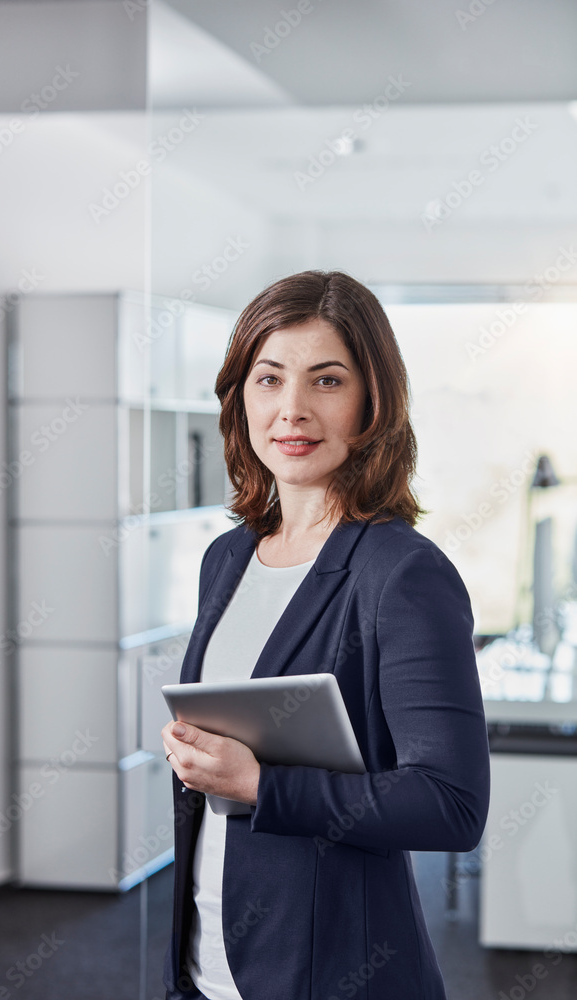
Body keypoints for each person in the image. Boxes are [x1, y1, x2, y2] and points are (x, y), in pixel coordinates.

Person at [161, 269, 490, 1000]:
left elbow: (451, 803)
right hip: (207, 961)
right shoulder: (229, 556)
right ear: (238, 397)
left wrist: (258, 783)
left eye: (327, 381)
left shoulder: (401, 574)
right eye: (268, 379)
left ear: (373, 400)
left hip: (333, 970)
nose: (292, 410)